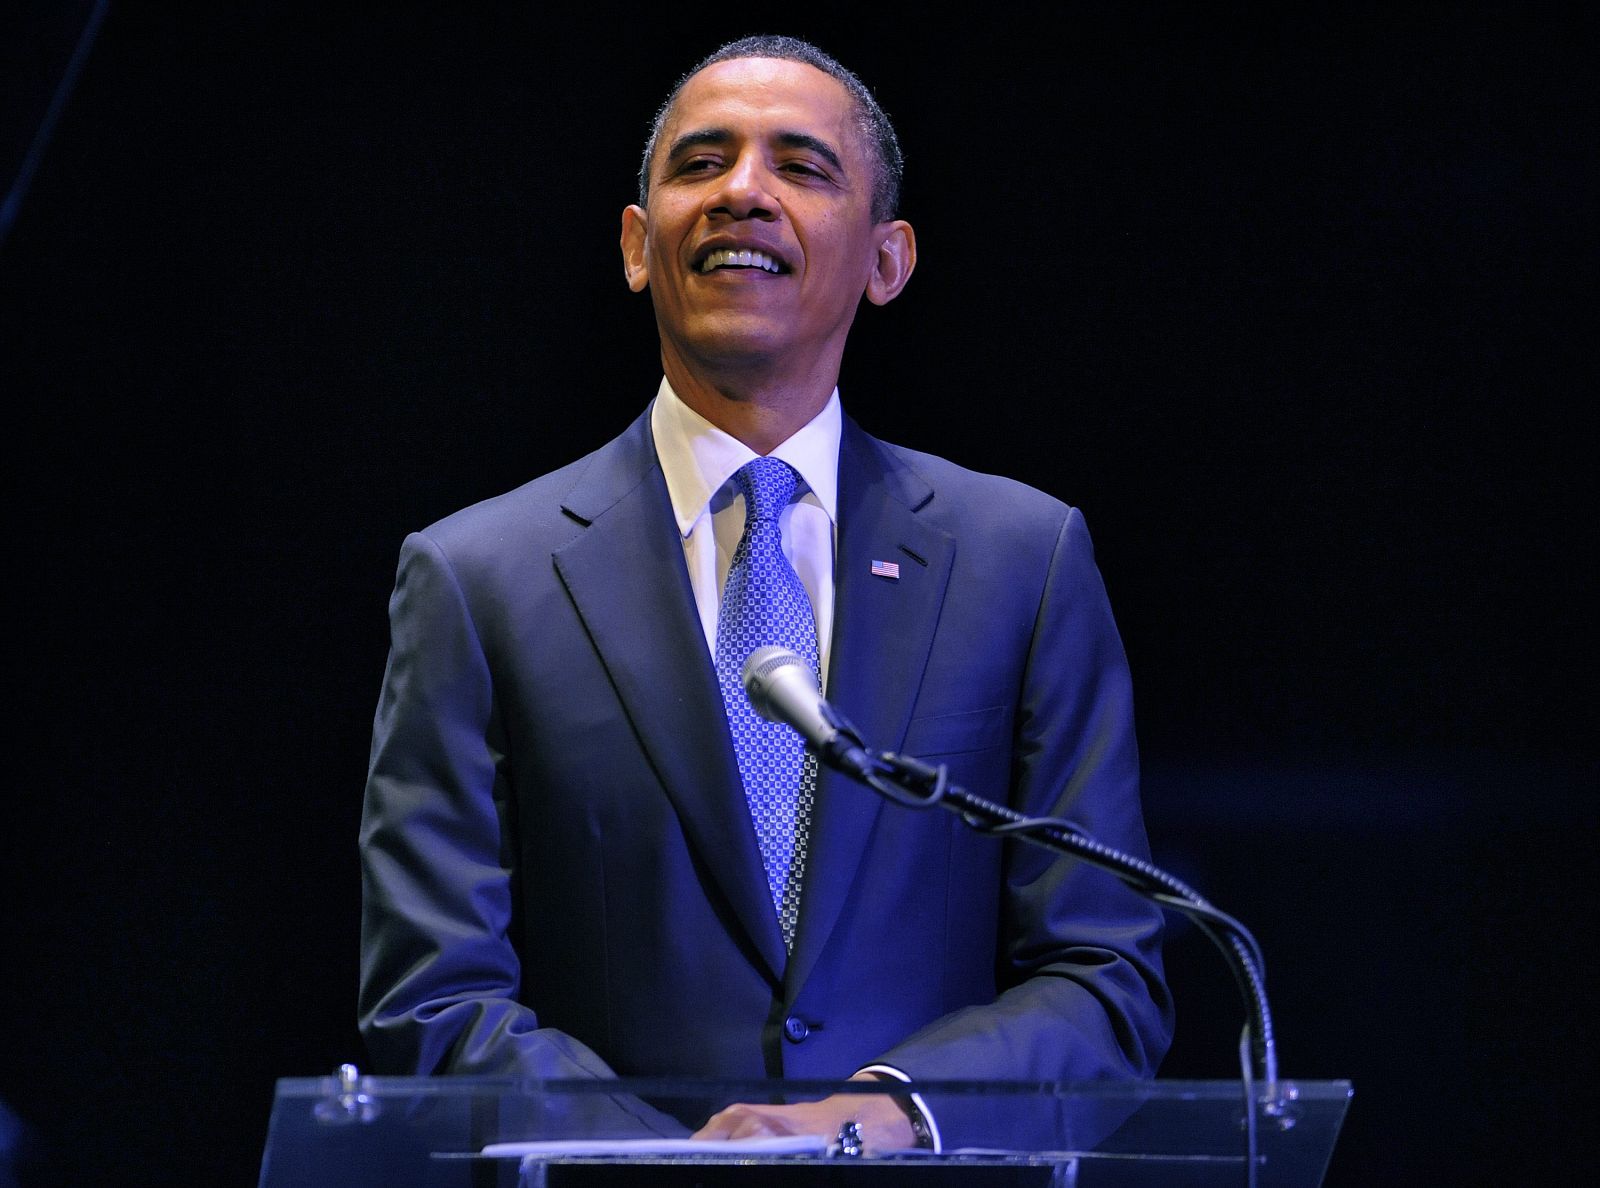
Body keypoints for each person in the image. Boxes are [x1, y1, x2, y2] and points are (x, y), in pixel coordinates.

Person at [358, 33, 1172, 1153]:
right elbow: (434, 998)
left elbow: (1105, 973)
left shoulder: (1019, 563)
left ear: (887, 262)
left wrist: (881, 1113)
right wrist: (668, 1164)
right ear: (636, 246)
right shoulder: (477, 577)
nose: (741, 191)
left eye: (800, 166)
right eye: (700, 163)